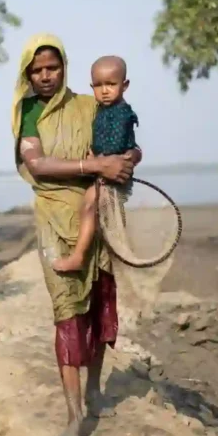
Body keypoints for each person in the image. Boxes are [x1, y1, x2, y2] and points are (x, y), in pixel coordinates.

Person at [13, 33, 141, 436]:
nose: (46, 76)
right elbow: (38, 161)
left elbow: (130, 146)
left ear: (65, 68)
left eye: (53, 68)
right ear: (28, 74)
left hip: (98, 212)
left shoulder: (89, 106)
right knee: (67, 312)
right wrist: (93, 163)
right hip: (54, 217)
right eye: (38, 70)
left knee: (100, 303)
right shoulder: (29, 112)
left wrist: (125, 162)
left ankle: (94, 390)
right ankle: (73, 418)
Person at [52, 55, 138, 273]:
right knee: (104, 218)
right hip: (104, 173)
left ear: (124, 85)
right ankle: (114, 256)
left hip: (112, 174)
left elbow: (117, 145)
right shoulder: (102, 109)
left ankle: (78, 257)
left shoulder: (121, 113)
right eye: (98, 86)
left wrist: (97, 162)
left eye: (111, 84)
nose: (105, 91)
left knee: (90, 206)